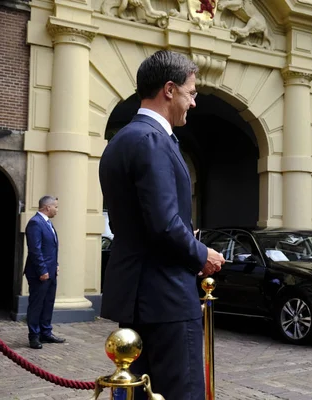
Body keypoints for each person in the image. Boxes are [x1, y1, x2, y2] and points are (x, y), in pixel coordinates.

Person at [98, 50, 225, 400]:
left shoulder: (122, 139)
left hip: (137, 295)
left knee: (140, 393)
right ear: (169, 89)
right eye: (192, 93)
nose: (194, 103)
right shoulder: (153, 140)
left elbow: (145, 219)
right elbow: (165, 224)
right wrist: (202, 254)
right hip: (166, 295)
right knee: (180, 391)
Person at [24, 195, 65, 349]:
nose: (57, 209)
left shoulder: (48, 223)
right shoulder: (35, 223)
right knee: (36, 304)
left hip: (51, 271)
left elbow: (51, 249)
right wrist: (42, 270)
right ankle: (34, 336)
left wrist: (56, 265)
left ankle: (45, 333)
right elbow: (35, 250)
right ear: (47, 207)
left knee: (48, 303)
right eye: (56, 206)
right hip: (39, 273)